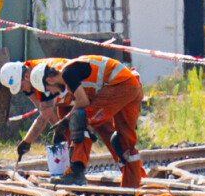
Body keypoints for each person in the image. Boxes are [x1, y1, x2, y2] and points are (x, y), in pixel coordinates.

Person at [48, 52, 146, 188]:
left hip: (119, 85)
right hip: (131, 85)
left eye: (48, 90)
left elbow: (82, 102)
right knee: (122, 142)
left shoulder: (67, 73)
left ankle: (76, 171)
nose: (52, 94)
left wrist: (66, 121)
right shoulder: (71, 69)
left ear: (49, 80)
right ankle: (132, 190)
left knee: (82, 120)